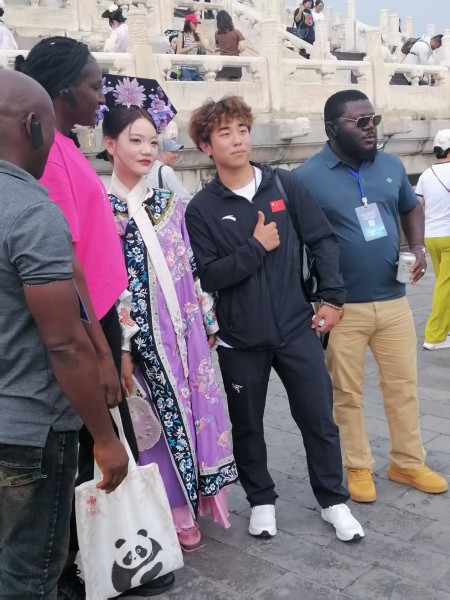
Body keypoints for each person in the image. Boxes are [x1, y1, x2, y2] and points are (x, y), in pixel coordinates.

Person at [15, 38, 175, 598]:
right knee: (89, 446)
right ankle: (81, 563)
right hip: (86, 326)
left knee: (100, 444)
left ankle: (110, 554)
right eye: (92, 85)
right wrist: (103, 351)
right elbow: (66, 262)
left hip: (101, 316)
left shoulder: (63, 147)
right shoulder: (51, 159)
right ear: (63, 91)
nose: (102, 95)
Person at [185, 96, 365, 543]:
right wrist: (255, 247)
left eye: (242, 130)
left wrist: (332, 297)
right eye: (225, 133)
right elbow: (209, 275)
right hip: (240, 339)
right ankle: (261, 500)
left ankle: (333, 500)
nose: (238, 140)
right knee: (248, 425)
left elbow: (322, 240)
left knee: (319, 418)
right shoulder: (202, 208)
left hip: (296, 328)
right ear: (206, 146)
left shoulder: (284, 184)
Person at [0, 69, 128, 600]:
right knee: (29, 576)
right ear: (33, 126)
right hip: (28, 430)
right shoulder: (31, 211)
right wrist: (105, 438)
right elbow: (63, 344)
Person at [100, 74, 237, 551]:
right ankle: (172, 511)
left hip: (186, 331)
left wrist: (206, 318)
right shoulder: (104, 209)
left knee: (198, 412)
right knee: (155, 424)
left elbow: (190, 267)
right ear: (110, 144)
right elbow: (108, 284)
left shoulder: (169, 203)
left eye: (153, 141)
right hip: (142, 340)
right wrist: (122, 346)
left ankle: (200, 498)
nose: (146, 150)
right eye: (135, 141)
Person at [294, 89, 448, 504]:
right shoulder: (306, 178)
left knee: (403, 386)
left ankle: (407, 462)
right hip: (340, 308)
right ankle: (358, 466)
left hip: (394, 301)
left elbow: (410, 207)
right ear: (331, 129)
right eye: (359, 122)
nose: (370, 128)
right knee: (346, 392)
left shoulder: (391, 165)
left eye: (373, 120)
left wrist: (418, 247)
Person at [416, 129, 450, 350]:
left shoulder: (426, 175)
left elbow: (418, 207)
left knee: (443, 283)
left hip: (432, 237)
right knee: (445, 287)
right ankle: (435, 336)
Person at [147, 138, 192, 205]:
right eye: (173, 152)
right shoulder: (165, 170)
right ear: (161, 152)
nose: (176, 155)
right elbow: (184, 197)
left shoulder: (147, 169)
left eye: (176, 152)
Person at [215, 9, 245, 81]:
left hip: (223, 63)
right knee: (236, 87)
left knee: (224, 87)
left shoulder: (217, 33)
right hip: (235, 62)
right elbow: (242, 47)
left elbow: (217, 46)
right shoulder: (236, 32)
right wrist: (235, 51)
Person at [176, 13, 205, 81]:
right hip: (185, 69)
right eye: (194, 23)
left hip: (196, 69)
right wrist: (192, 46)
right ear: (188, 23)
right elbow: (178, 52)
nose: (196, 25)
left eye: (196, 23)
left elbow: (205, 46)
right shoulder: (182, 35)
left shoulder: (197, 35)